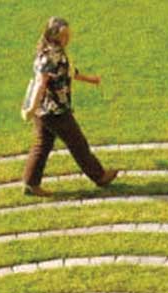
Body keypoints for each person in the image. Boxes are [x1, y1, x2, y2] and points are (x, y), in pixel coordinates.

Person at [20, 16, 119, 197]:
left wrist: (91, 79)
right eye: (64, 36)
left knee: (42, 145)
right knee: (78, 143)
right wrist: (31, 109)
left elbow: (69, 71)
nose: (67, 39)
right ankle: (100, 176)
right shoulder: (51, 56)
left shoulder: (53, 51)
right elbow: (41, 84)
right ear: (53, 36)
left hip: (46, 111)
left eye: (68, 35)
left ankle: (30, 183)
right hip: (54, 110)